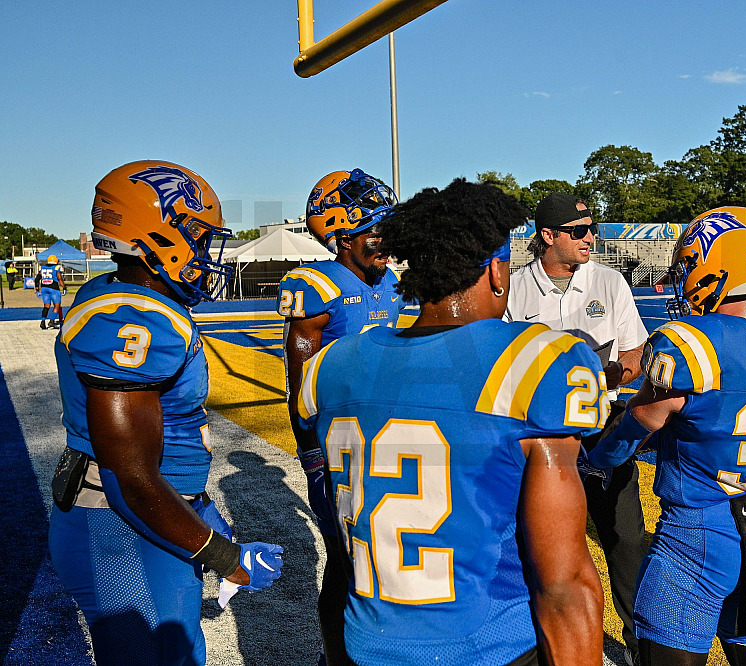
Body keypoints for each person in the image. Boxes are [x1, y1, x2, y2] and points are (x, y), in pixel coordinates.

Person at [296, 179, 606, 665]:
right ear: (498, 272)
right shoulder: (536, 362)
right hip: (488, 647)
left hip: (364, 645)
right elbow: (564, 582)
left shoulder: (330, 367)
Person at [48, 161, 284, 666]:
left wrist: (198, 507)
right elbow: (129, 473)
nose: (206, 252)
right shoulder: (131, 318)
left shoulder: (126, 299)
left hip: (143, 519)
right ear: (157, 236)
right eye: (198, 236)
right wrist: (225, 558)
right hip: (120, 527)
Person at [587, 207, 746, 666]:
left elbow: (639, 424)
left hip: (696, 529)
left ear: (718, 268)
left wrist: (597, 460)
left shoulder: (692, 344)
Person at [504, 192, 647, 660]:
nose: (591, 239)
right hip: (535, 437)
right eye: (578, 231)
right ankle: (540, 641)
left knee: (624, 539)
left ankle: (639, 641)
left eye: (592, 229)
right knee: (538, 546)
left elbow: (634, 353)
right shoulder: (515, 286)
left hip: (601, 426)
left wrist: (601, 376)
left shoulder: (608, 282)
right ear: (547, 236)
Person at [276, 168, 404, 658]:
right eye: (375, 229)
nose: (385, 240)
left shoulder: (390, 281)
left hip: (386, 435)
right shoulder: (314, 285)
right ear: (341, 235)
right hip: (335, 442)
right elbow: (300, 381)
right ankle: (339, 655)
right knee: (344, 558)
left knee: (384, 555)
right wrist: (310, 453)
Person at [35, 254, 66, 329]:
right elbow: (59, 278)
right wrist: (64, 287)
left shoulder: (42, 267)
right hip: (53, 288)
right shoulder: (57, 267)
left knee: (46, 306)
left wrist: (37, 290)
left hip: (44, 287)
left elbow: (37, 279)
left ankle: (43, 321)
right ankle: (51, 321)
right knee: (57, 305)